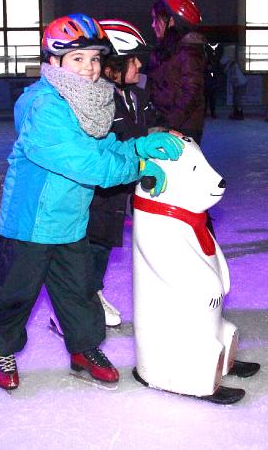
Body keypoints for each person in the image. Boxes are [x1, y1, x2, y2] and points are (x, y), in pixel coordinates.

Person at [0, 13, 183, 391]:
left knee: (79, 291)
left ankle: (84, 348)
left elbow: (103, 146)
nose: (89, 68)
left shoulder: (88, 100)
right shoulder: (43, 107)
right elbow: (86, 162)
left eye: (94, 58)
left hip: (70, 219)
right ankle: (1, 348)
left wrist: (138, 146)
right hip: (31, 222)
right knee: (17, 293)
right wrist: (138, 165)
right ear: (53, 61)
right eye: (77, 58)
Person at [84, 19, 163, 327]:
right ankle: (85, 298)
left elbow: (147, 128)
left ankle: (90, 291)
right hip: (100, 192)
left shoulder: (136, 96)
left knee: (105, 243)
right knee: (96, 243)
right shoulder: (97, 103)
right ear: (111, 66)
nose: (140, 65)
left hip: (124, 187)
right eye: (133, 60)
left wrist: (162, 136)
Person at [147, 0, 208, 144]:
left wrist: (168, 124)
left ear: (171, 21)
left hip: (182, 127)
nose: (153, 25)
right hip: (167, 123)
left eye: (156, 19)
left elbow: (192, 92)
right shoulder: (167, 50)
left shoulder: (188, 52)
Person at [222, 54, 248, 120]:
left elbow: (234, 77)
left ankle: (240, 114)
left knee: (237, 99)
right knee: (235, 99)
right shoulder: (230, 66)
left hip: (240, 84)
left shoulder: (232, 66)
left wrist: (235, 85)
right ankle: (236, 113)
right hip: (238, 84)